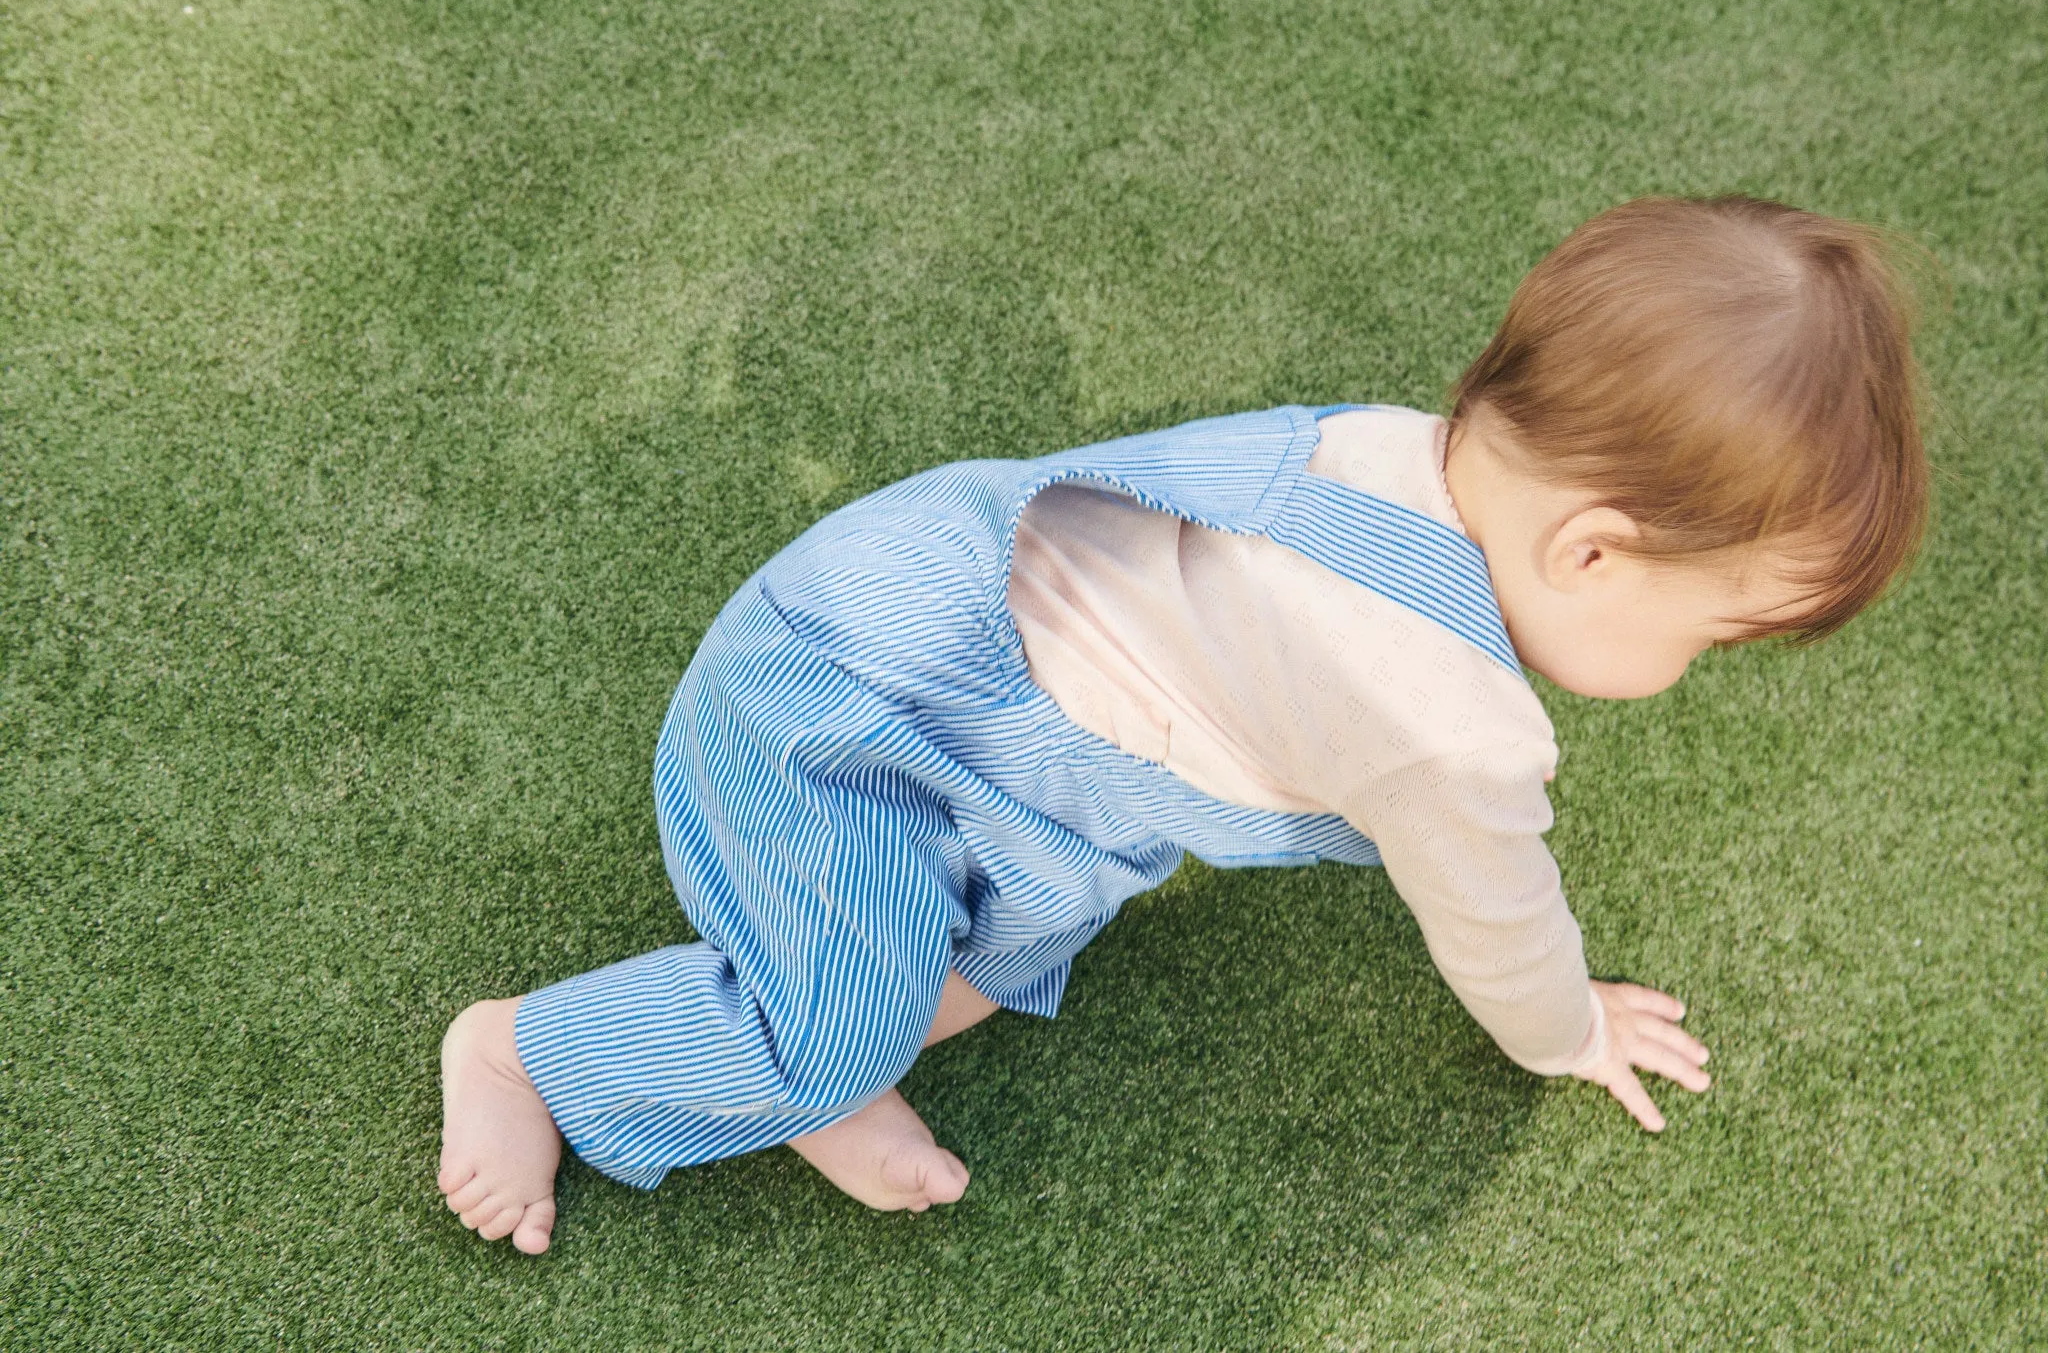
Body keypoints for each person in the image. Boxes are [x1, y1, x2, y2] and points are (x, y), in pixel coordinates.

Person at [436, 196, 1929, 1255]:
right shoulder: (1448, 726)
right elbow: (1499, 921)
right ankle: (532, 1057)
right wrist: (1568, 1029)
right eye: (1709, 635)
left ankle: (824, 1061)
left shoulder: (1390, 451)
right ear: (1592, 552)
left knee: (980, 968)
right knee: (836, 1018)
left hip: (936, 657)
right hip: (844, 720)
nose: (1690, 672)